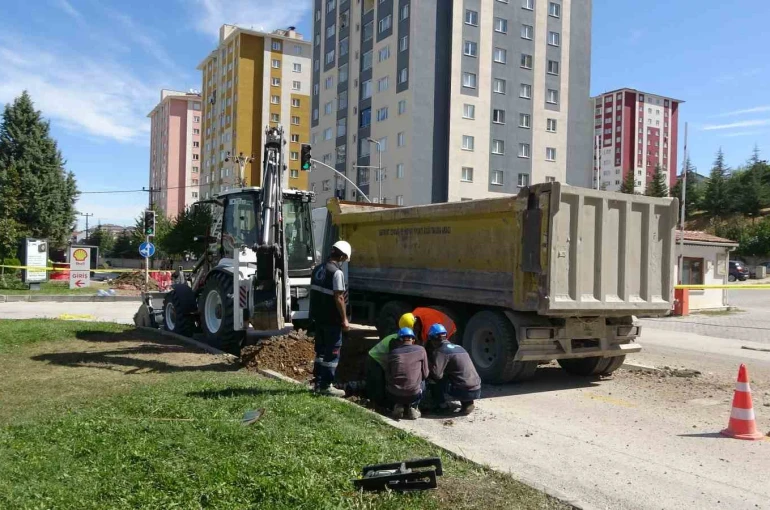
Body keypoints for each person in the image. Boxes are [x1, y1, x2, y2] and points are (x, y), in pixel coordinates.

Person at [309, 240, 352, 396]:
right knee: (332, 352)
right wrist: (345, 319)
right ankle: (326, 386)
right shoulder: (337, 273)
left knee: (320, 351)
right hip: (332, 320)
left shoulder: (317, 269)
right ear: (342, 256)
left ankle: (318, 383)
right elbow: (339, 297)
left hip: (319, 318)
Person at [427, 324, 482, 415]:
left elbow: (436, 375)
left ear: (433, 339)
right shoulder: (459, 347)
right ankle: (467, 403)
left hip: (463, 390)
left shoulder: (440, 351)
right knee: (458, 374)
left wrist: (428, 365)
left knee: (434, 379)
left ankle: (441, 405)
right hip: (476, 388)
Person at [386, 327, 429, 420]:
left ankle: (398, 405)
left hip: (394, 394)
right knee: (422, 379)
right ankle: (413, 407)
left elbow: (388, 376)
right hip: (414, 394)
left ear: (399, 340)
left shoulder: (393, 353)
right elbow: (426, 374)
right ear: (413, 339)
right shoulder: (421, 350)